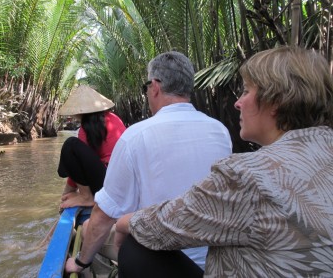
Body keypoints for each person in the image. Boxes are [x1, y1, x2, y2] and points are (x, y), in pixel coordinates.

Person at [115, 46, 333, 277]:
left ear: (276, 101)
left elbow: (162, 225)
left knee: (134, 249)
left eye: (247, 91)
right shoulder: (219, 131)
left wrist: (123, 224)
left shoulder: (248, 175)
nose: (238, 102)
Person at [65, 51, 233, 276]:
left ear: (155, 86)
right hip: (212, 265)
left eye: (146, 86)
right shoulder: (220, 131)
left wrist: (80, 262)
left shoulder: (136, 136)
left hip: (158, 263)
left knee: (88, 229)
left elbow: (103, 216)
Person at [57, 85, 126, 208]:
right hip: (122, 183)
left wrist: (67, 193)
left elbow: (78, 164)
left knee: (70, 145)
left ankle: (86, 197)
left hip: (109, 183)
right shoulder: (114, 118)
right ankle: (85, 195)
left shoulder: (86, 128)